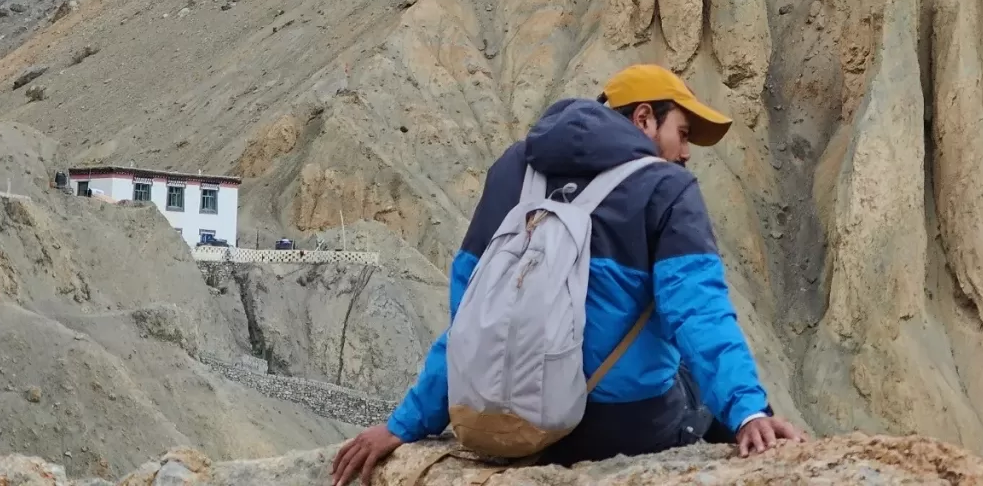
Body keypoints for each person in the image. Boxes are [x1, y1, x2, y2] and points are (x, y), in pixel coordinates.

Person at [332, 65, 804, 485]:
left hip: (508, 421)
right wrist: (747, 411)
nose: (686, 153)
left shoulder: (512, 170)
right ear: (644, 119)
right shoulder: (667, 188)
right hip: (618, 427)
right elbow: (699, 313)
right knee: (691, 376)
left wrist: (404, 425)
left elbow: (470, 317)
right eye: (683, 133)